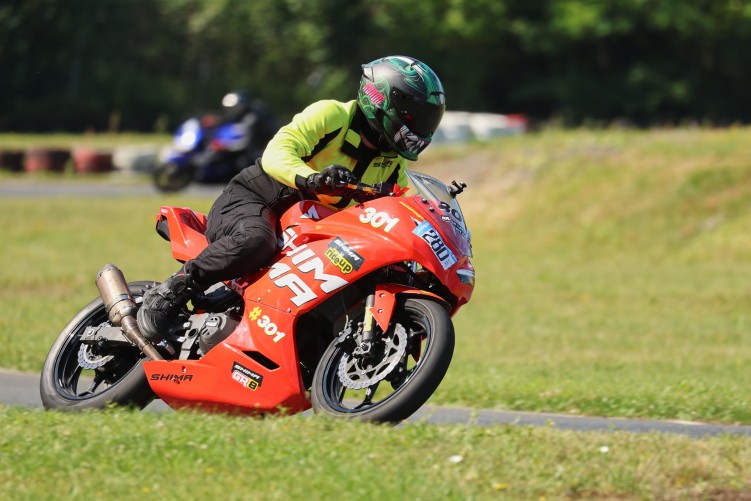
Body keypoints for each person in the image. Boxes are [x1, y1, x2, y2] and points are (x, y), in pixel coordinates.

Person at [137, 55, 447, 340]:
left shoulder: (394, 163)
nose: (420, 127)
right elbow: (277, 152)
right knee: (256, 240)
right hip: (254, 199)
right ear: (381, 99)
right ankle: (172, 290)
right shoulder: (332, 115)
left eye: (426, 118)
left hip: (306, 231)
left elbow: (402, 207)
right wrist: (310, 178)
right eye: (414, 114)